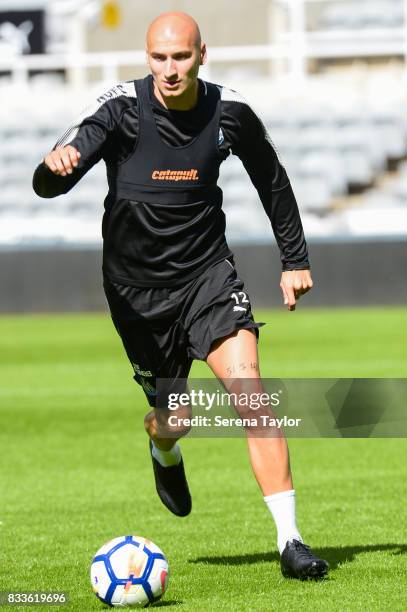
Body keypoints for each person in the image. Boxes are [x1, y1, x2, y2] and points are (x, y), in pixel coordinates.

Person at [33, 12, 329, 580]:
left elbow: (272, 178)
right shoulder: (119, 106)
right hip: (137, 294)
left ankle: (291, 541)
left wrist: (295, 259)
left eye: (181, 57)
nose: (170, 69)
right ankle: (164, 449)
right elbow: (53, 177)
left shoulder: (231, 110)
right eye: (159, 58)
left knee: (252, 396)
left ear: (202, 55)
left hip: (208, 278)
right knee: (177, 416)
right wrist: (54, 168)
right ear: (147, 58)